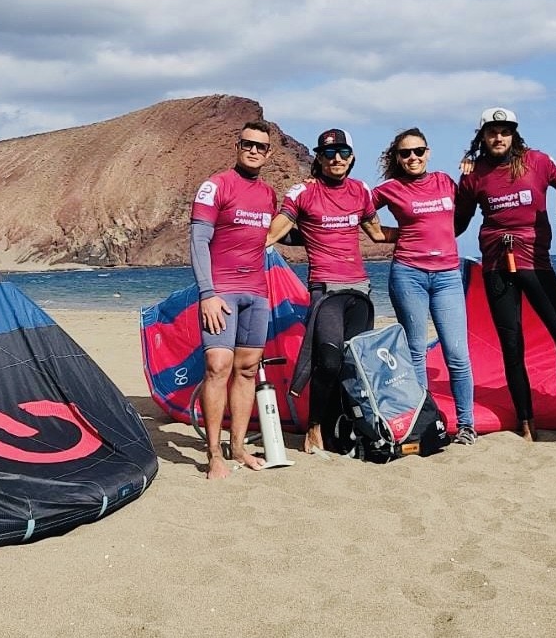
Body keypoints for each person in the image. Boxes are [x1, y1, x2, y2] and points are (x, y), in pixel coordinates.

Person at [454, 107, 556, 445]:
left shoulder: (538, 161)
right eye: (492, 132)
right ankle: (526, 421)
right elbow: (458, 222)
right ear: (483, 136)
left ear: (514, 134)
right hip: (495, 267)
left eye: (505, 131)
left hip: (536, 262)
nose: (498, 137)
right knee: (511, 346)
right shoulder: (474, 175)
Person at [265, 128, 384, 454]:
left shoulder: (361, 191)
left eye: (343, 152)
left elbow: (376, 233)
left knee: (353, 364)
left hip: (360, 290)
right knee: (328, 362)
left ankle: (342, 425)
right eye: (329, 153)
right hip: (326, 291)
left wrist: (424, 231)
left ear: (352, 157)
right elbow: (275, 231)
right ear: (318, 157)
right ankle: (314, 427)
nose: (337, 159)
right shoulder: (303, 192)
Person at [371, 128, 477, 445]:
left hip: (447, 275)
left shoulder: (446, 181)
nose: (413, 157)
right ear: (397, 158)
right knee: (416, 353)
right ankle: (425, 421)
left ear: (428, 153)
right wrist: (388, 235)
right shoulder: (389, 189)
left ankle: (466, 425)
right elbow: (359, 210)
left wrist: (472, 171)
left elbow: (466, 209)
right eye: (406, 153)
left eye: (418, 151)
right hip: (409, 274)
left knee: (457, 353)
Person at [190, 120, 280, 479]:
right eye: (248, 144)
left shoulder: (269, 194)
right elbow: (198, 242)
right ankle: (214, 454)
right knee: (217, 367)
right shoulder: (216, 185)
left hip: (257, 293)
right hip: (221, 292)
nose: (254, 150)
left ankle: (238, 448)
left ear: (269, 153)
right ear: (237, 146)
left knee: (246, 371)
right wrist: (207, 293)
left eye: (261, 146)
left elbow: (270, 237)